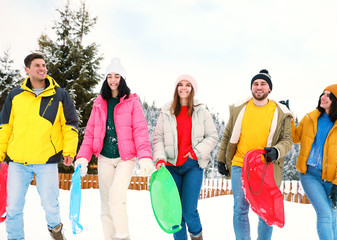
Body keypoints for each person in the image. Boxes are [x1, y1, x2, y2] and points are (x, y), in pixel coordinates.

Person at [0, 53, 79, 240]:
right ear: (27, 70)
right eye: (37, 65)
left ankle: (57, 233)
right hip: (17, 161)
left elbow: (69, 125)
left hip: (46, 160)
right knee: (13, 207)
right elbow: (5, 127)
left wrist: (69, 151)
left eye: (44, 65)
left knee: (51, 205)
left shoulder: (60, 95)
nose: (42, 68)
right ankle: (15, 238)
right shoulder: (15, 96)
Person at [74, 58, 154, 240]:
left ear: (122, 79)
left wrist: (145, 158)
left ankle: (123, 236)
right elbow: (90, 133)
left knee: (117, 199)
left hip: (125, 158)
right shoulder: (99, 103)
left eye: (117, 76)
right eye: (109, 76)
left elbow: (140, 131)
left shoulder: (132, 102)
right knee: (105, 204)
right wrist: (83, 158)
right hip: (104, 158)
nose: (113, 80)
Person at [217, 69, 293, 240]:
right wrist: (221, 159)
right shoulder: (240, 108)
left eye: (263, 84)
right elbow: (228, 134)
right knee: (240, 209)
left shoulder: (280, 111)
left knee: (265, 210)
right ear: (251, 88)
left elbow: (287, 139)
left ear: (269, 89)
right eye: (256, 84)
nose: (259, 87)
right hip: (239, 163)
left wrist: (276, 151)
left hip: (264, 166)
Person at [153, 74, 218, 240]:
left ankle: (197, 236)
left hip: (192, 165)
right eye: (180, 84)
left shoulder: (201, 112)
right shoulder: (166, 111)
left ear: (192, 89)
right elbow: (158, 138)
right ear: (176, 88)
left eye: (187, 85)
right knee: (175, 213)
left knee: (189, 210)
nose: (183, 88)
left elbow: (212, 136)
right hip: (170, 167)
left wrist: (196, 152)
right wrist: (160, 158)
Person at [292, 84, 337, 240]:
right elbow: (294, 138)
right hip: (309, 175)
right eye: (323, 93)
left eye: (329, 95)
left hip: (333, 179)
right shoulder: (310, 118)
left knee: (332, 220)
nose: (323, 97)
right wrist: (288, 116)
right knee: (325, 214)